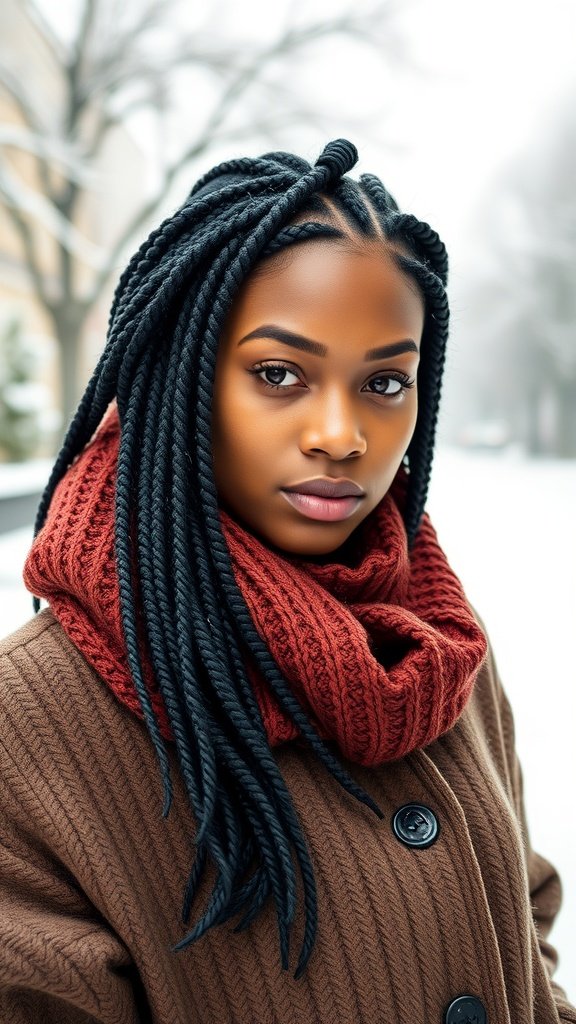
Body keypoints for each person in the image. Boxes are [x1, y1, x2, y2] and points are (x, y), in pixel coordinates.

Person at [0, 139, 573, 1024]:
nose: (342, 435)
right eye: (279, 373)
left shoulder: (438, 636)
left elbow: (521, 921)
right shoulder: (30, 718)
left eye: (386, 381)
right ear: (180, 377)